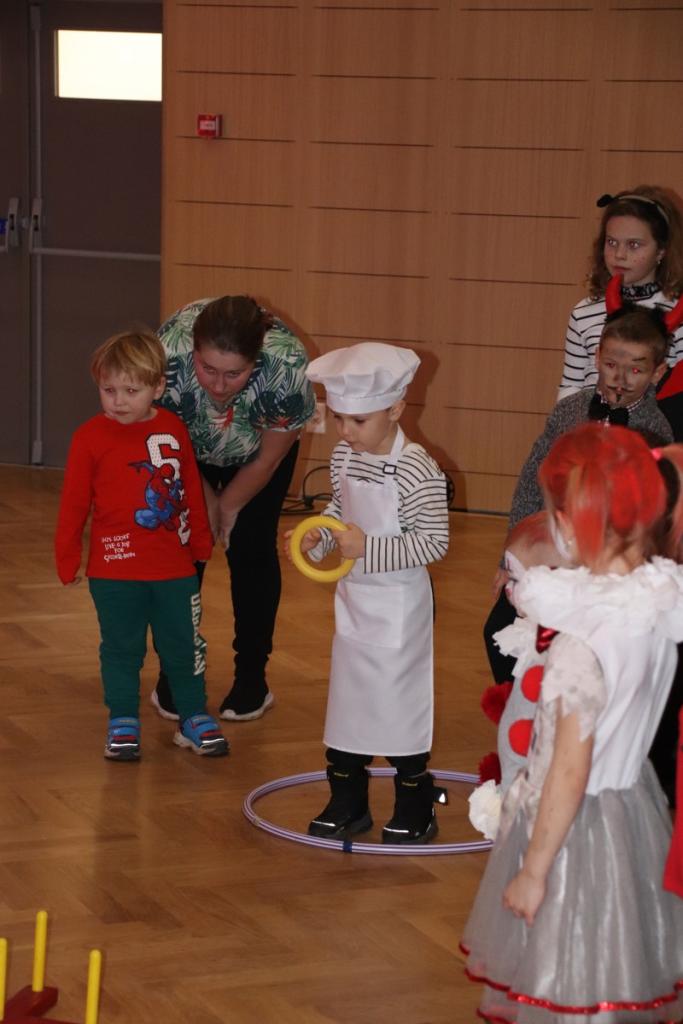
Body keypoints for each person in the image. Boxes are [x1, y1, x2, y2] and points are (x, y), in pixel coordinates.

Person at [461, 423, 683, 1023]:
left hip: (572, 829)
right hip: (632, 808)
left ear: (566, 523)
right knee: (614, 964)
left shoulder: (580, 645)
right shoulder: (660, 604)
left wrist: (534, 871)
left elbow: (568, 767)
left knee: (567, 979)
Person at [285, 342, 450, 844]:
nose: (345, 432)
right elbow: (339, 512)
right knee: (348, 702)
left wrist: (367, 548)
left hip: (400, 607)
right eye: (338, 419)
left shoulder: (418, 468)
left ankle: (416, 803)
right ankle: (348, 800)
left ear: (395, 409)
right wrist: (319, 537)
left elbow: (434, 542)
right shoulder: (343, 457)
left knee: (397, 705)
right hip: (355, 603)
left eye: (358, 421)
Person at [55, 330, 228, 761]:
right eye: (108, 390)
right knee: (121, 648)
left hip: (173, 569)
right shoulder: (89, 437)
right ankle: (122, 719)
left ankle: (191, 715)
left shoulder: (172, 429)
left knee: (183, 645)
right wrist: (67, 556)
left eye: (131, 391)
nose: (118, 401)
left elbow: (189, 489)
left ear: (158, 387)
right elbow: (74, 503)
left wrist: (201, 541)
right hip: (114, 571)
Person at [153, 296, 316, 722]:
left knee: (251, 547)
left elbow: (268, 460)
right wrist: (206, 503)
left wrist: (227, 507)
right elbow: (164, 439)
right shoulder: (166, 354)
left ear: (255, 360)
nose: (220, 385)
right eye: (208, 369)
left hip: (258, 453)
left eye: (234, 373)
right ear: (192, 350)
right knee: (183, 549)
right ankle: (174, 671)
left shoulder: (286, 365)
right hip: (186, 450)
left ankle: (252, 678)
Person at [558, 185, 683, 400]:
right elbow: (571, 385)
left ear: (661, 251)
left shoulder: (677, 313)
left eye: (634, 244)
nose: (619, 254)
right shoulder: (583, 312)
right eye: (612, 242)